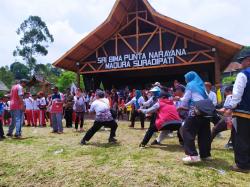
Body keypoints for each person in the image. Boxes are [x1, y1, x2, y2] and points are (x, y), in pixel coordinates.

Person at [224, 51, 250, 173]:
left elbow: (237, 94)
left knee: (240, 139)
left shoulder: (243, 74)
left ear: (248, 60)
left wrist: (230, 107)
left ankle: (242, 165)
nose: (240, 64)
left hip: (242, 112)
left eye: (242, 61)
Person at [178, 71, 212, 163]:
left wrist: (180, 103)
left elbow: (186, 99)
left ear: (189, 78)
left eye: (186, 78)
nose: (185, 80)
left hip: (195, 111)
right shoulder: (201, 86)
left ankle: (192, 155)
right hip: (205, 113)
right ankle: (206, 155)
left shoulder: (190, 85)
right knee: (204, 134)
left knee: (187, 130)